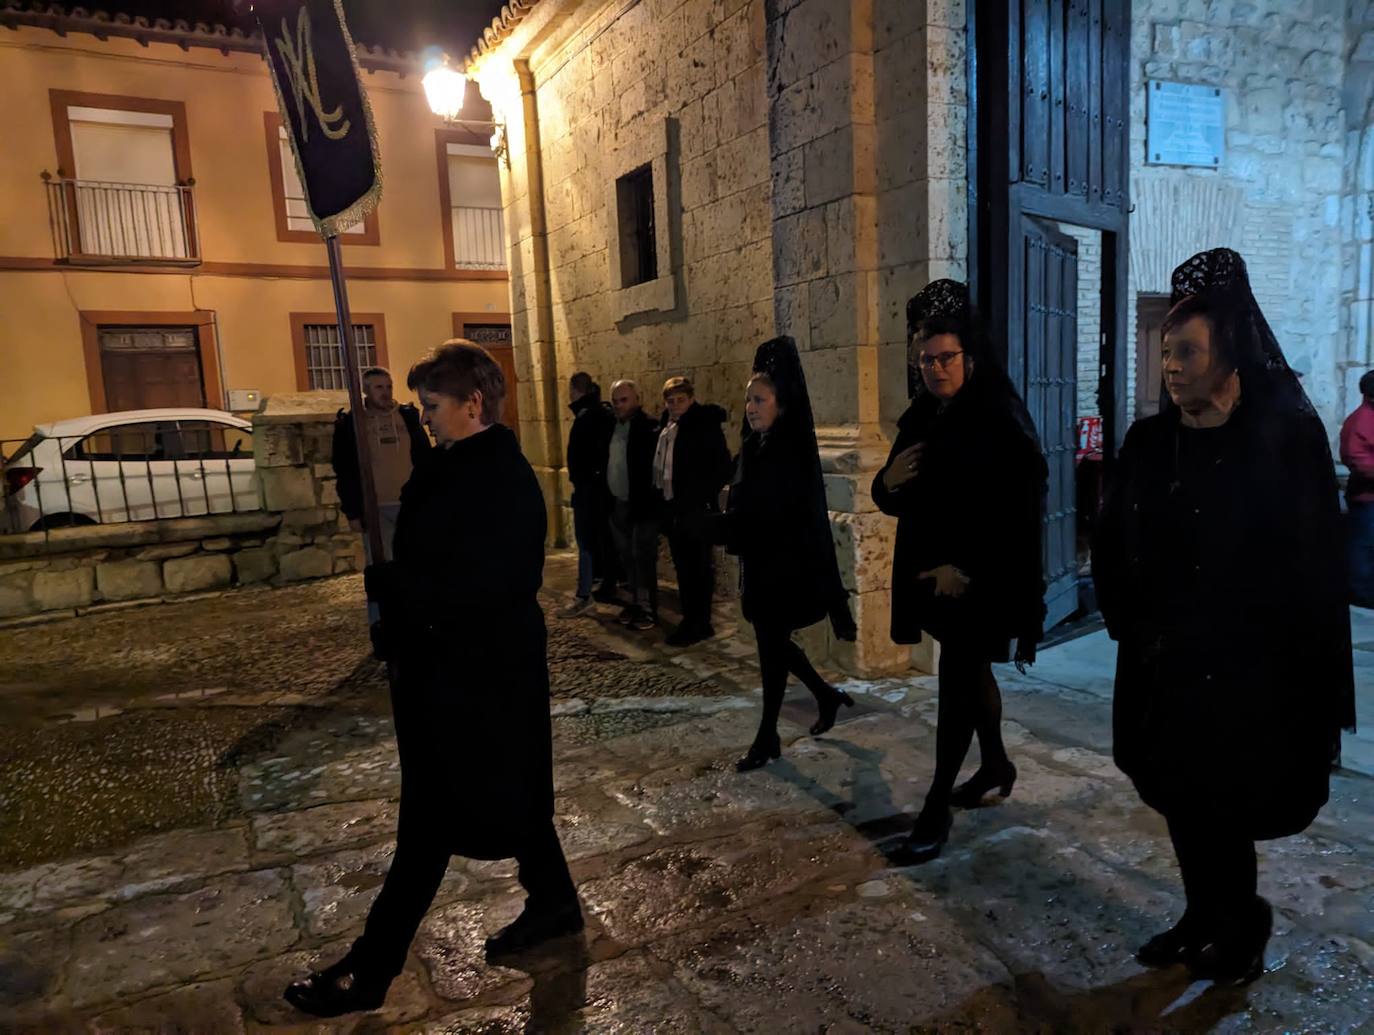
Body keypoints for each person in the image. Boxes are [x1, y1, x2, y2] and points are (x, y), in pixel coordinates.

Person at [285, 341, 581, 1018]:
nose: (425, 418)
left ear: (474, 404)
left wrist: (400, 592)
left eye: (434, 406)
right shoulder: (452, 463)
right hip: (446, 669)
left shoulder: (502, 478)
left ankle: (373, 968)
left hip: (476, 680)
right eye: (422, 406)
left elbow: (489, 584)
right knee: (515, 799)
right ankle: (557, 902)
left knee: (429, 824)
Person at [1093, 248, 1355, 985]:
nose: (1170, 367)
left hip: (1252, 668)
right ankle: (1201, 912)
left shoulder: (1282, 439)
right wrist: (1130, 618)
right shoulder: (1150, 441)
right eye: (1166, 352)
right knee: (1181, 795)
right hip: (1167, 660)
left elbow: (1312, 563)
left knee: (1227, 803)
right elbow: (1114, 538)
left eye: (1187, 352)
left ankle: (1242, 921)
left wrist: (1302, 672)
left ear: (1229, 351)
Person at [872, 280, 1048, 864]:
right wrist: (886, 483)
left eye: (945, 358)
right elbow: (896, 491)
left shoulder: (999, 417)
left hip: (981, 578)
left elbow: (1017, 511)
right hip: (933, 577)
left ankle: (936, 806)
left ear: (968, 357)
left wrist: (964, 567)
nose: (935, 369)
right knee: (969, 674)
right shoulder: (924, 414)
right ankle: (995, 762)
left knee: (957, 678)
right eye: (926, 360)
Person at [721, 337, 858, 771]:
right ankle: (824, 695)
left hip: (786, 569)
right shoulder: (753, 447)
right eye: (748, 401)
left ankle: (767, 737)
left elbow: (808, 520)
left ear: (781, 404)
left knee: (771, 652)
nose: (751, 407)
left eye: (760, 400)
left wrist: (835, 600)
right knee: (774, 646)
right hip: (761, 567)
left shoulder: (792, 453)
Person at [653, 376, 732, 646]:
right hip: (674, 509)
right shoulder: (667, 427)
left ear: (691, 398)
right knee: (685, 568)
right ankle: (694, 620)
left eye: (681, 400)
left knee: (698, 568)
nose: (675, 405)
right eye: (670, 400)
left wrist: (698, 495)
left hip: (695, 509)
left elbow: (722, 466)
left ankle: (698, 622)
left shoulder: (703, 425)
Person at [330, 366, 431, 562]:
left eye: (389, 386)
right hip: (376, 506)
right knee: (383, 562)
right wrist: (353, 512)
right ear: (366, 390)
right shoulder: (353, 423)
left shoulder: (407, 416)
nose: (385, 392)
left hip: (410, 502)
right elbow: (345, 470)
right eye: (379, 387)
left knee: (416, 559)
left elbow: (424, 457)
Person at [606, 379, 662, 630]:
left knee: (643, 557)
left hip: (643, 504)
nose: (619, 405)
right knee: (627, 556)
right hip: (618, 502)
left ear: (637, 399)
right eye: (615, 401)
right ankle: (634, 603)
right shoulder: (611, 428)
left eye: (624, 400)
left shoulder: (649, 427)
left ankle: (648, 608)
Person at [561, 371, 617, 617]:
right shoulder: (602, 413)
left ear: (575, 390)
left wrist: (583, 481)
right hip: (602, 490)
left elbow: (584, 457)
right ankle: (606, 585)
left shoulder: (587, 417)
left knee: (585, 544)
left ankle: (584, 595)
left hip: (590, 492)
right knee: (603, 541)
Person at [1340, 370, 1374, 607]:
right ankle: (1360, 594)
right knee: (1363, 546)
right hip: (1367, 497)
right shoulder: (1360, 421)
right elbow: (1357, 459)